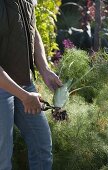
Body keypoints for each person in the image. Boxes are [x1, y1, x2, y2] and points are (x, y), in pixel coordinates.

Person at [0, 0, 62, 170]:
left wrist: (45, 69)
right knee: (2, 159)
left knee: (42, 147)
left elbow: (31, 28)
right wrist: (24, 96)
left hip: (24, 84)